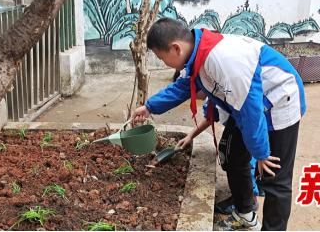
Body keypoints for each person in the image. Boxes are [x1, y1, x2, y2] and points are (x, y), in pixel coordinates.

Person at [131, 18, 306, 231]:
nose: (164, 62)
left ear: (175, 48)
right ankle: (245, 213)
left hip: (279, 100)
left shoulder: (224, 60)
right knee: (233, 155)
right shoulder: (197, 55)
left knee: (274, 177)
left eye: (161, 57)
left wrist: (260, 153)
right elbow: (182, 87)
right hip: (246, 106)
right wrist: (149, 107)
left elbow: (251, 111)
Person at [171, 71, 261, 214]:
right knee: (242, 155)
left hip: (251, 124)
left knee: (241, 159)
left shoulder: (223, 88)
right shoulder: (214, 90)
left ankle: (250, 199)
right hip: (248, 123)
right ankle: (257, 186)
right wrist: (190, 136)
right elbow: (210, 117)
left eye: (190, 93)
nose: (192, 97)